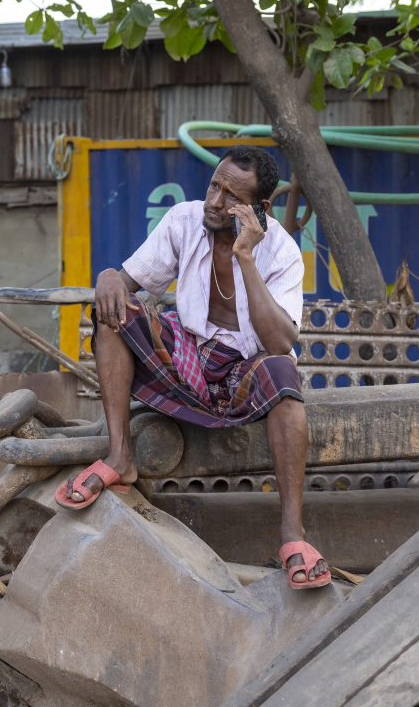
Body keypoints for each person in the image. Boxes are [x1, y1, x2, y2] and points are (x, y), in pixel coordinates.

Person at [55, 145, 331, 590]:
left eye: (230, 197)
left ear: (258, 209)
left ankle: (292, 536)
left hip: (244, 371)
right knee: (113, 313)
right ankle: (120, 457)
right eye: (214, 186)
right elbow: (127, 283)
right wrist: (107, 277)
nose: (214, 202)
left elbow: (280, 342)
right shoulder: (185, 220)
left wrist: (245, 256)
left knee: (283, 373)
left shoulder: (280, 252)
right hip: (188, 361)